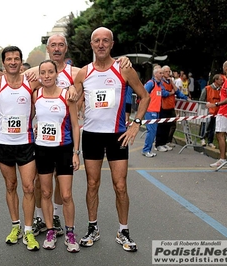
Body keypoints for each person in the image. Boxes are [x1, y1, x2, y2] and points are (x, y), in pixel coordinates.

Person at [25, 34, 132, 238]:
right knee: (42, 182)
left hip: (66, 138)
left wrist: (123, 59)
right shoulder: (35, 72)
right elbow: (10, 76)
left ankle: (56, 217)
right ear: (47, 49)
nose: (56, 49)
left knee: (62, 181)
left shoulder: (77, 72)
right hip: (45, 140)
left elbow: (96, 75)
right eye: (53, 45)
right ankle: (41, 217)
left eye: (60, 45)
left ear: (66, 49)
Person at [73, 27, 150, 251]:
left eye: (105, 40)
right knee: (92, 184)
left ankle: (123, 231)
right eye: (96, 40)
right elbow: (71, 97)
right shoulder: (84, 72)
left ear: (112, 44)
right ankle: (92, 227)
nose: (101, 44)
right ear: (91, 45)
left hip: (117, 135)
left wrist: (136, 124)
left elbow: (144, 97)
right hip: (92, 136)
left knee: (120, 185)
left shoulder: (123, 69)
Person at [0, 46, 41, 251]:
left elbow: (55, 73)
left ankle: (28, 231)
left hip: (25, 142)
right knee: (10, 186)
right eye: (9, 59)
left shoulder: (31, 81)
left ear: (21, 61)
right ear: (4, 62)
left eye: (17, 58)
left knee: (28, 187)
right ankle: (15, 226)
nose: (13, 62)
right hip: (3, 142)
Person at [33, 59, 80, 252]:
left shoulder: (67, 95)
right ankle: (50, 230)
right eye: (43, 73)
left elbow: (76, 125)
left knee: (66, 194)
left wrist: (76, 152)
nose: (46, 76)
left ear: (56, 74)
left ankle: (70, 233)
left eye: (50, 72)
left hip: (64, 149)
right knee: (45, 192)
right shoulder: (35, 94)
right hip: (43, 149)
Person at [154, 65, 188, 151]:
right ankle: (158, 144)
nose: (168, 73)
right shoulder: (160, 82)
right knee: (162, 126)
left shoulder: (170, 81)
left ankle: (164, 143)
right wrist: (171, 92)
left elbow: (177, 91)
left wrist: (185, 97)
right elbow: (164, 93)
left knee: (168, 126)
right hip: (163, 106)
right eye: (166, 71)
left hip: (170, 106)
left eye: (169, 71)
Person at [206, 60, 227, 168]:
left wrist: (215, 104)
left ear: (225, 68)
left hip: (225, 111)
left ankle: (222, 159)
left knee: (220, 134)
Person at [142, 66, 164, 155]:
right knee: (151, 131)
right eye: (160, 73)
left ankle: (148, 150)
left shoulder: (159, 84)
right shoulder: (151, 83)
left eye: (162, 73)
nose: (162, 75)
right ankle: (146, 150)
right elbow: (143, 93)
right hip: (150, 111)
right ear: (155, 74)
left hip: (156, 111)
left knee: (153, 132)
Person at [199, 74, 223, 148]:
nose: (222, 81)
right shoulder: (207, 88)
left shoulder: (221, 89)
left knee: (212, 127)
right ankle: (202, 138)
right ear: (216, 80)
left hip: (216, 112)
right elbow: (201, 100)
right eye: (220, 80)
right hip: (207, 111)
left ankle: (210, 141)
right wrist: (205, 107)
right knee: (205, 125)